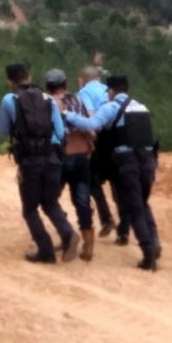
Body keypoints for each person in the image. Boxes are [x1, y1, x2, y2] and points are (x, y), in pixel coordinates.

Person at [64, 75, 161, 271]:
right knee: (143, 202)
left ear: (111, 91)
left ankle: (148, 253)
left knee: (135, 208)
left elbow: (92, 125)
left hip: (128, 163)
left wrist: (69, 116)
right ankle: (155, 240)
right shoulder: (141, 107)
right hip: (148, 161)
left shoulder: (110, 108)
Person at [0, 62, 79, 264]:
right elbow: (60, 132)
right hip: (52, 159)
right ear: (29, 77)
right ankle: (68, 234)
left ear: (10, 82)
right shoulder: (48, 98)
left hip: (30, 161)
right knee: (50, 202)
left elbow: (4, 130)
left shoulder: (10, 99)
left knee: (30, 208)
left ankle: (46, 250)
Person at [45, 69, 96, 261]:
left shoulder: (49, 103)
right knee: (82, 200)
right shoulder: (78, 100)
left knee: (50, 198)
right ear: (65, 84)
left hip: (60, 156)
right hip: (82, 155)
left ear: (48, 86)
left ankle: (67, 235)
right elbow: (88, 126)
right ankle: (88, 246)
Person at [77, 65, 120, 241]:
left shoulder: (84, 92)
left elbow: (90, 115)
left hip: (100, 140)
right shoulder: (110, 90)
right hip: (117, 139)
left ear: (81, 80)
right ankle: (125, 225)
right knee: (117, 181)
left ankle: (106, 218)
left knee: (92, 180)